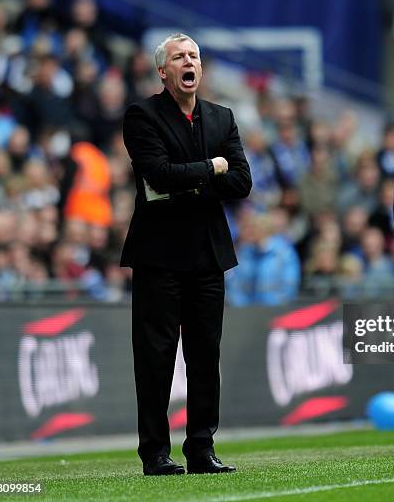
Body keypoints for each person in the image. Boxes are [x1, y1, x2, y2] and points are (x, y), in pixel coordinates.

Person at [121, 33, 251, 475]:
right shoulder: (142, 115)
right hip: (158, 254)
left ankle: (201, 449)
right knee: (155, 357)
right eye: (178, 57)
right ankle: (155, 453)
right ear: (163, 71)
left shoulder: (222, 117)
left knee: (204, 356)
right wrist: (212, 168)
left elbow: (242, 182)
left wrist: (188, 179)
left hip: (208, 254)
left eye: (193, 55)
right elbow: (156, 173)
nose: (187, 61)